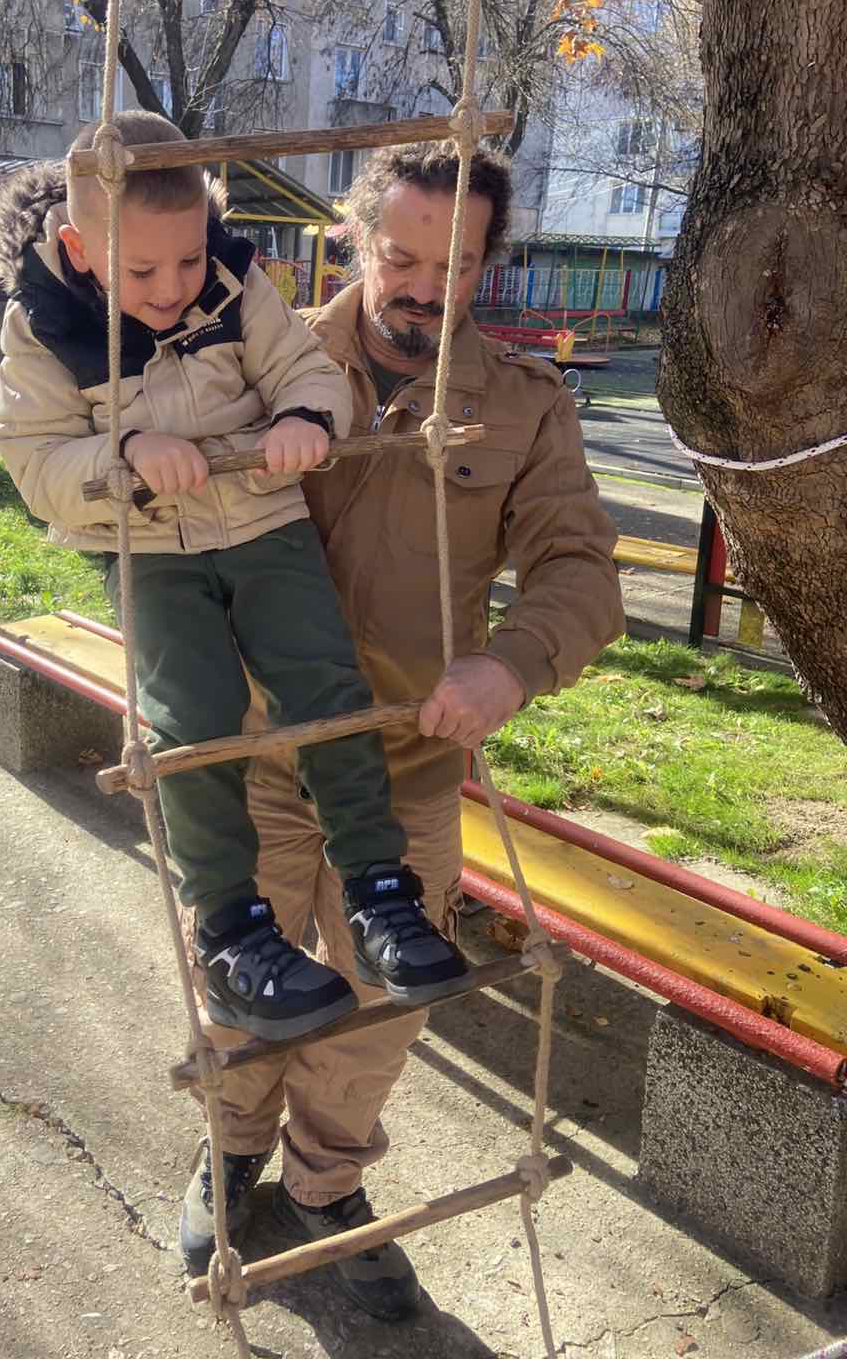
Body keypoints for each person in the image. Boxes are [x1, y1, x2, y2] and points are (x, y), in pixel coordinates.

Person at [179, 142, 625, 1318]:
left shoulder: (520, 405)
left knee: (383, 1008)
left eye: (458, 264)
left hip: (410, 770)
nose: (428, 287)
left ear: (489, 264)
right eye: (403, 256)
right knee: (237, 981)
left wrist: (511, 664)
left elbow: (581, 569)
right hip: (257, 758)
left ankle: (325, 1185)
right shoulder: (250, 366)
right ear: (352, 236)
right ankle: (229, 1154)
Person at [0, 109, 469, 1048]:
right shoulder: (41, 324)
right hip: (152, 541)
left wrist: (304, 419)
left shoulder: (236, 284)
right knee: (193, 719)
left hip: (264, 522)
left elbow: (306, 369)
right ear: (81, 249)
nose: (171, 288)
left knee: (326, 683)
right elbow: (34, 464)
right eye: (140, 272)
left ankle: (380, 892)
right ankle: (230, 930)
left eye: (188, 259)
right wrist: (127, 452)